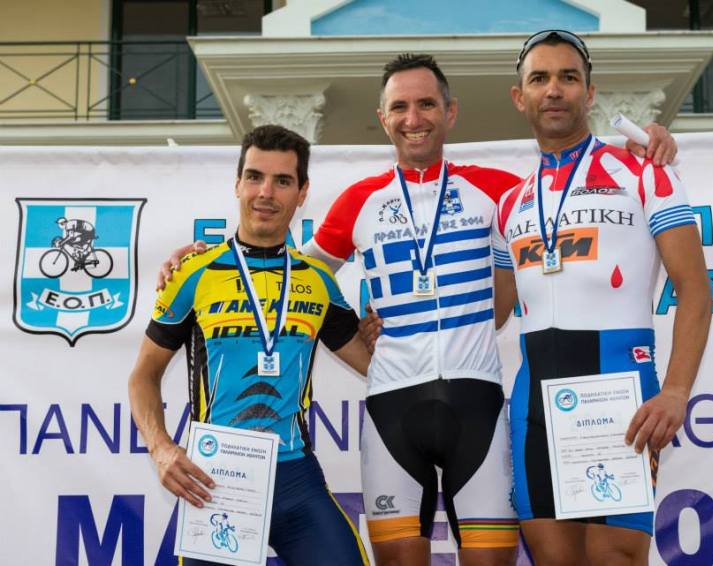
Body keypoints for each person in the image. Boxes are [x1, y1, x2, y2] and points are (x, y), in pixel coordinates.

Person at [157, 55, 677, 566]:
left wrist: (643, 144)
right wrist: (203, 255)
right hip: (393, 411)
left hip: (477, 405)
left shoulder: (500, 191)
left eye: (426, 104)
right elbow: (288, 269)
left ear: (450, 111)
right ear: (383, 118)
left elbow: (567, 177)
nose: (414, 118)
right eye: (400, 107)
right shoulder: (359, 200)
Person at [492, 30, 712, 565]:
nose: (554, 90)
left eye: (568, 77)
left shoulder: (645, 174)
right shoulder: (508, 203)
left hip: (618, 387)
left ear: (590, 92)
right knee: (554, 560)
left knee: (615, 558)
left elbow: (695, 290)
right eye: (539, 79)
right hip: (533, 398)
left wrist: (676, 392)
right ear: (519, 97)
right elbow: (492, 312)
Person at [128, 125, 372, 566]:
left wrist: (393, 328)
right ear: (238, 183)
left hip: (296, 479)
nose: (266, 193)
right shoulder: (193, 273)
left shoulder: (318, 280)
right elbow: (143, 375)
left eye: (283, 181)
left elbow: (375, 365)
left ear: (302, 192)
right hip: (215, 479)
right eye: (255, 177)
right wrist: (161, 448)